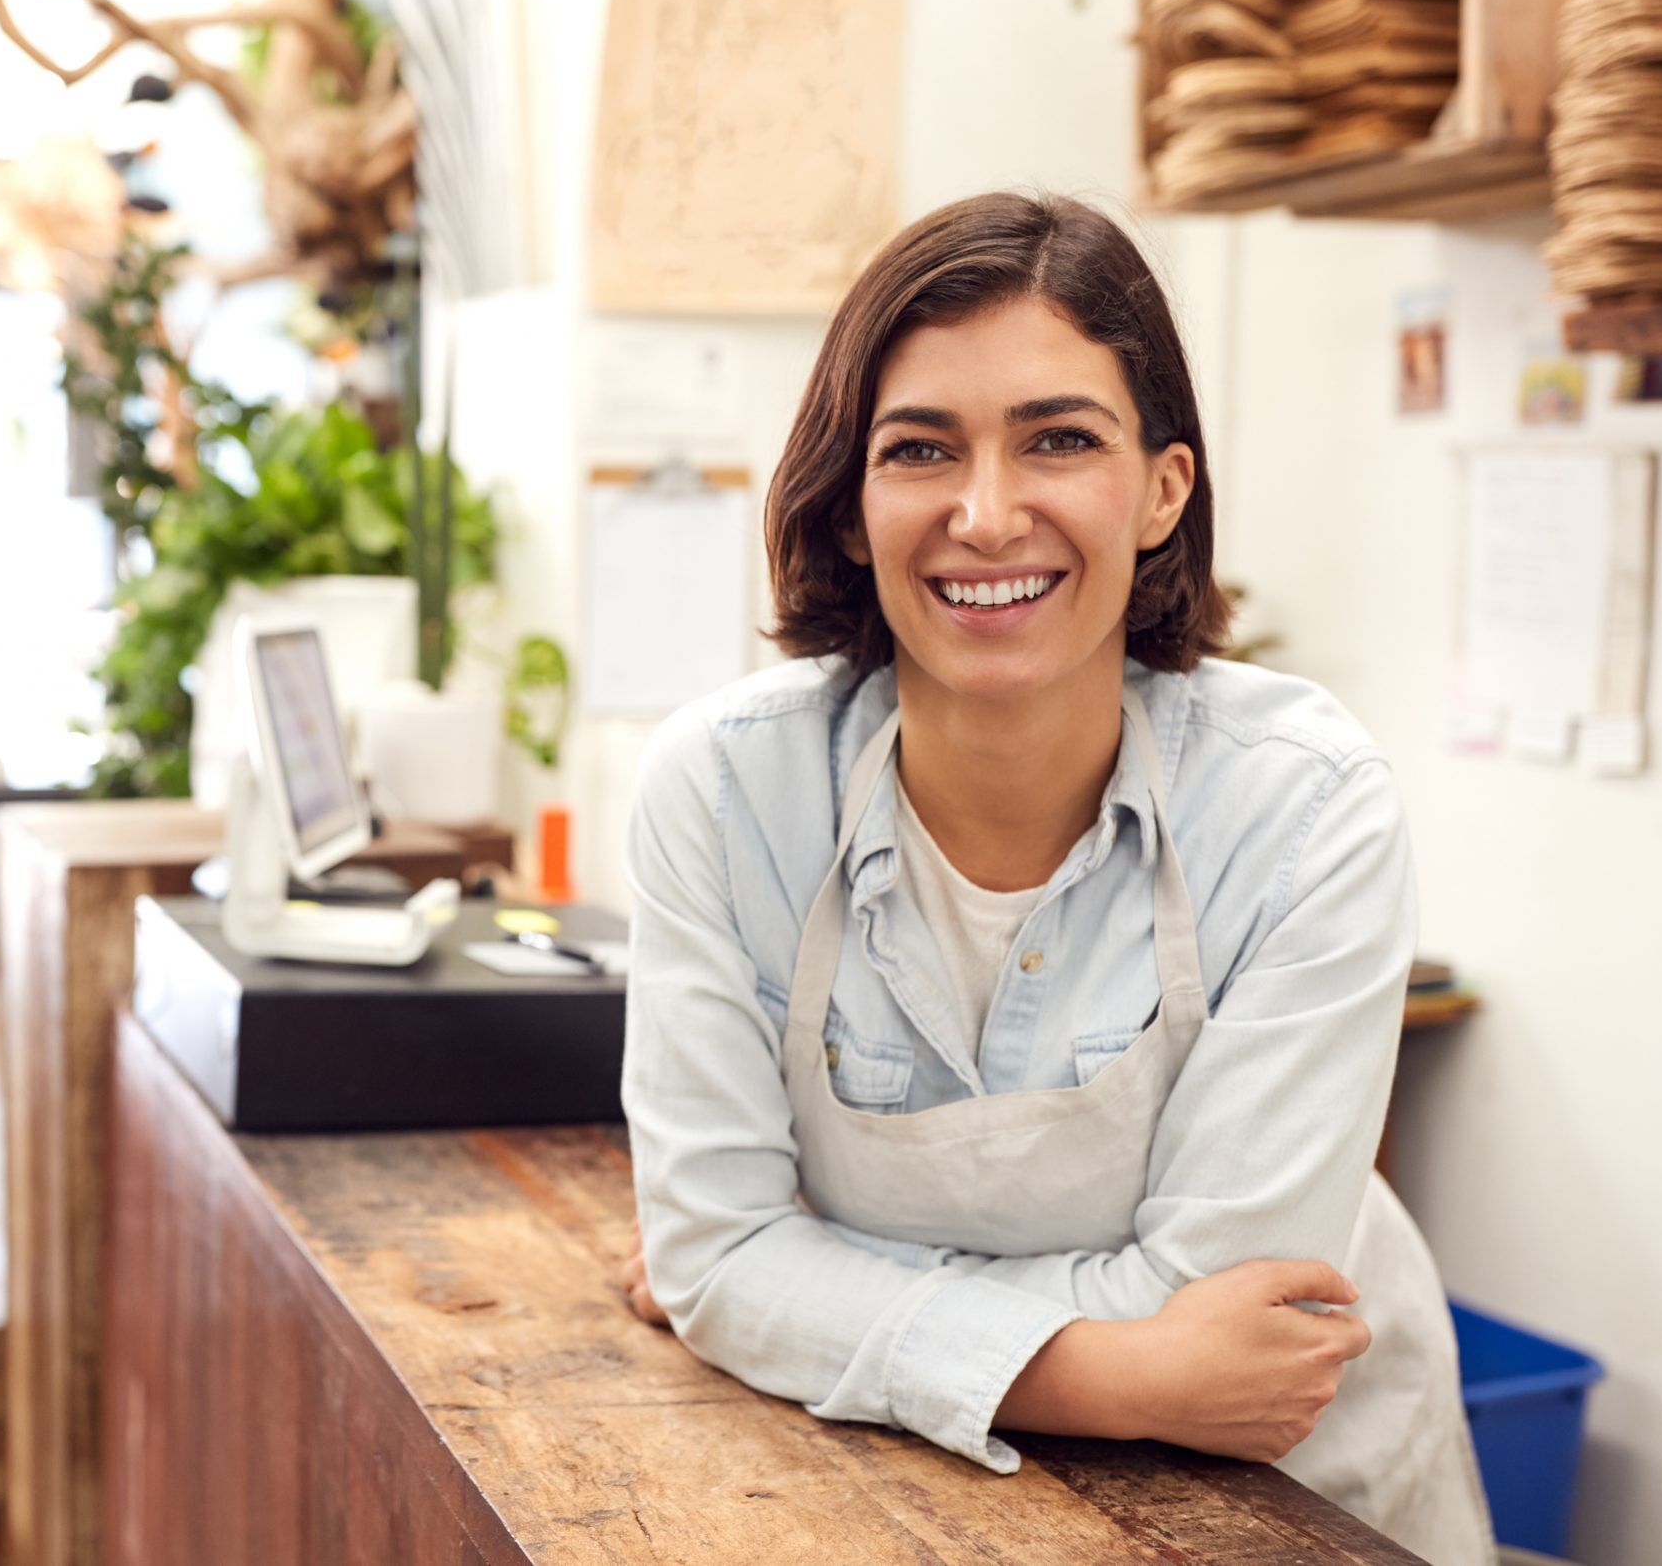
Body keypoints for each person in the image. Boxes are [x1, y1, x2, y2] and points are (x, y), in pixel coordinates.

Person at [617, 191, 1493, 1564]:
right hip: (907, 1501)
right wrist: (1117, 1372)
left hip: (1289, 1502)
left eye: (1060, 440)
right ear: (852, 505)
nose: (985, 513)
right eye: (920, 449)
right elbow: (718, 1263)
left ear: (1161, 492)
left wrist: (807, 1290)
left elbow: (1223, 1299)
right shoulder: (727, 795)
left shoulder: (1305, 807)